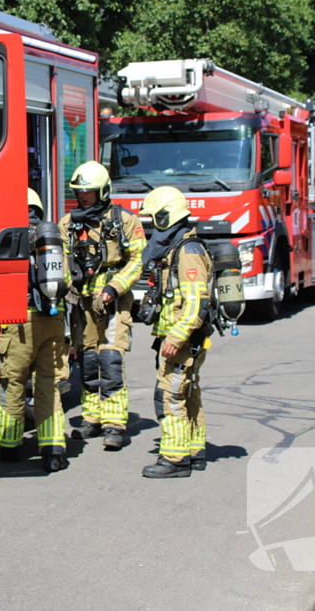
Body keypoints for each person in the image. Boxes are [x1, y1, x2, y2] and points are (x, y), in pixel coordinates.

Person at [59, 161, 145, 450]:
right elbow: (61, 262)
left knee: (110, 361)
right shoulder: (68, 224)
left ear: (103, 191)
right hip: (82, 303)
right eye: (79, 191)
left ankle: (114, 424)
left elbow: (138, 261)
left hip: (113, 303)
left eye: (89, 191)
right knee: (87, 361)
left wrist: (113, 287)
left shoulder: (125, 221)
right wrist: (67, 284)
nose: (83, 196)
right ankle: (91, 418)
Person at [0, 188, 70, 472]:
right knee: (48, 384)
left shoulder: (13, 237)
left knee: (13, 384)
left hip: (20, 323)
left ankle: (9, 447)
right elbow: (67, 281)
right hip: (54, 319)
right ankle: (54, 450)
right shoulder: (55, 240)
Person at [138, 186, 211, 478]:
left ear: (166, 217)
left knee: (169, 395)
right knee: (187, 392)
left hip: (181, 340)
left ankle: (174, 459)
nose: (151, 226)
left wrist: (176, 336)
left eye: (154, 219)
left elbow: (195, 304)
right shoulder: (178, 248)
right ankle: (195, 450)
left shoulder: (188, 251)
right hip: (178, 338)